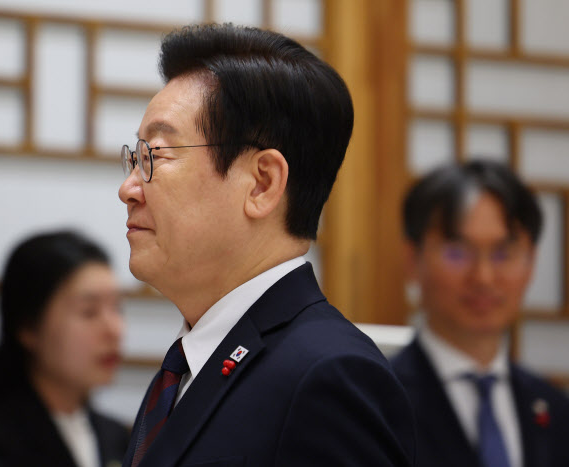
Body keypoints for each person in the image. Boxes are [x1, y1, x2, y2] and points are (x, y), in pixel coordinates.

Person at [117, 23, 415, 467]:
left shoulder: (328, 375)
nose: (128, 189)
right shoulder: (185, 366)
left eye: (154, 156)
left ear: (262, 183)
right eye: (134, 158)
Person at [391, 160, 569, 467]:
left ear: (531, 262)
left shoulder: (554, 409)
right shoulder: (377, 402)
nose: (484, 277)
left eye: (503, 253)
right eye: (457, 252)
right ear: (412, 259)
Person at [0, 230, 130, 467]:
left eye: (117, 308)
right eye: (89, 312)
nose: (114, 329)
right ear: (29, 327)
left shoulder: (119, 438)